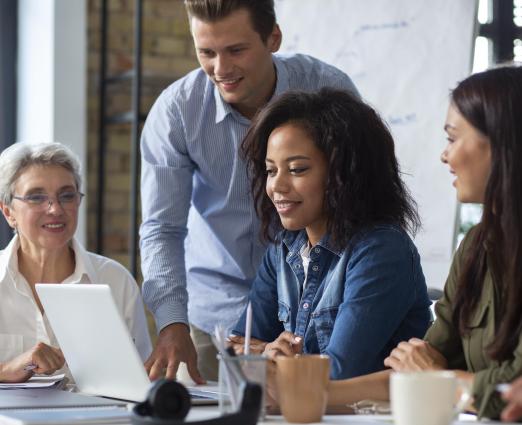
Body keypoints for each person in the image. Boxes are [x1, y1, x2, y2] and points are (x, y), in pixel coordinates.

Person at [139, 0, 359, 382]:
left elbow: (360, 202)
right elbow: (162, 228)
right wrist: (172, 322)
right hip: (218, 318)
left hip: (321, 309)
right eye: (206, 53)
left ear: (273, 38)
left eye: (236, 50)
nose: (220, 70)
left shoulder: (329, 90)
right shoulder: (177, 111)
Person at [318, 65, 522, 420]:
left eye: (453, 138)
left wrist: (437, 377)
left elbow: (513, 392)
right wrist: (308, 393)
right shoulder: (477, 243)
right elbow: (423, 364)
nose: (445, 155)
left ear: (503, 142)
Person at [228, 88, 431, 379]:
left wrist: (268, 359)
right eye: (271, 171)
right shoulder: (283, 249)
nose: (277, 186)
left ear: (345, 173)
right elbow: (235, 348)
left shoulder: (380, 249)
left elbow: (339, 372)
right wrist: (267, 351)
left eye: (297, 169)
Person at [0, 142, 152, 383]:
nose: (55, 209)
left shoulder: (115, 282)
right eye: (37, 197)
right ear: (9, 212)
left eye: (66, 195)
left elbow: (140, 380)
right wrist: (7, 369)